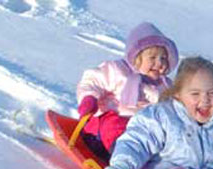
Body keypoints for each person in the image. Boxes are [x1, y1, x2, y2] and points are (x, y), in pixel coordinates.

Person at [76, 22, 178, 159]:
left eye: (163, 58)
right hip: (111, 122)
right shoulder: (119, 71)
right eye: (152, 58)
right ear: (137, 58)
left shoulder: (166, 86)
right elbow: (93, 80)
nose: (159, 63)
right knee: (115, 127)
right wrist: (89, 98)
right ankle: (121, 158)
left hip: (146, 129)